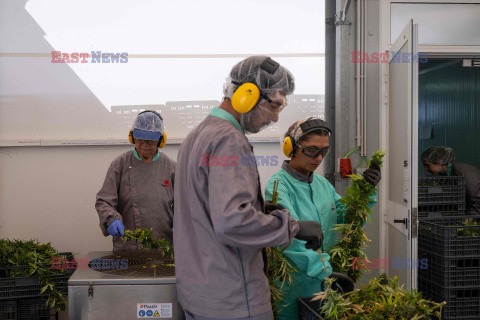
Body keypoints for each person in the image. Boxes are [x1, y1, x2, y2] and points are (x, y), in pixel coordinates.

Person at [173, 56, 325, 320]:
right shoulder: (230, 140)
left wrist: (260, 209)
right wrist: (292, 227)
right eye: (274, 106)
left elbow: (205, 207)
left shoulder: (198, 135)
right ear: (247, 94)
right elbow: (233, 222)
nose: (275, 117)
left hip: (199, 293)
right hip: (233, 299)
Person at [264, 117, 381, 320]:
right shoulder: (278, 187)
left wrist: (366, 192)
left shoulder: (322, 184)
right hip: (296, 285)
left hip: (325, 282)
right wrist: (325, 272)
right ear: (291, 147)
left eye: (324, 151)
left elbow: (347, 220)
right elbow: (289, 240)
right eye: (312, 150)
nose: (319, 158)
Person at [95, 110, 176, 251]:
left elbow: (185, 203)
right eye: (140, 139)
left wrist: (181, 220)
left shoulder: (171, 167)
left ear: (161, 140)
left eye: (150, 140)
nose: (145, 144)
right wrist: (111, 219)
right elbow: (104, 200)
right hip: (129, 246)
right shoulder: (120, 164)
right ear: (132, 137)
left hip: (163, 245)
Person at [421, 146, 480, 215]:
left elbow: (477, 201)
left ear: (439, 162)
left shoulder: (464, 173)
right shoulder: (443, 175)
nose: (425, 169)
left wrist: (468, 219)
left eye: (427, 165)